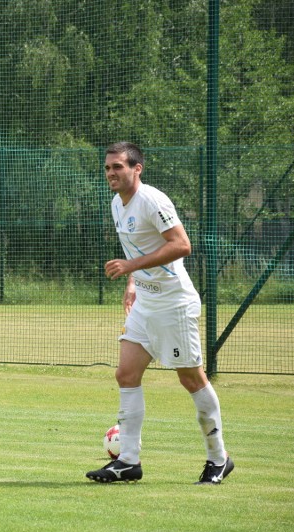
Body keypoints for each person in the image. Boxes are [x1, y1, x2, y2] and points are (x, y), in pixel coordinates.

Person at [86, 142, 234, 485]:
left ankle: (218, 458)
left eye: (118, 167)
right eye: (108, 168)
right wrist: (134, 282)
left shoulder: (153, 200)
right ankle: (127, 461)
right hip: (147, 303)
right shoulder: (116, 204)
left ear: (137, 169)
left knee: (191, 379)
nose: (111, 173)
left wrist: (131, 267)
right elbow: (138, 249)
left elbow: (181, 244)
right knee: (126, 374)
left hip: (173, 305)